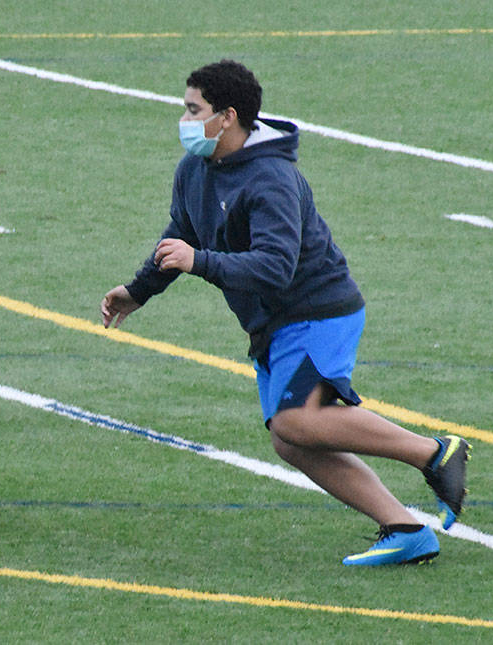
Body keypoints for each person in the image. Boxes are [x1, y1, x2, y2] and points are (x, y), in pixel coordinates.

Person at [99, 59, 468, 566]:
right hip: (273, 324)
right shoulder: (194, 171)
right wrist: (139, 291)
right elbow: (179, 234)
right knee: (291, 441)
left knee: (296, 421)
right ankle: (405, 528)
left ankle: (432, 452)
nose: (184, 120)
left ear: (227, 117)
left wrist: (198, 262)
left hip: (317, 311)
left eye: (193, 110)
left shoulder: (272, 178)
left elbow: (273, 268)